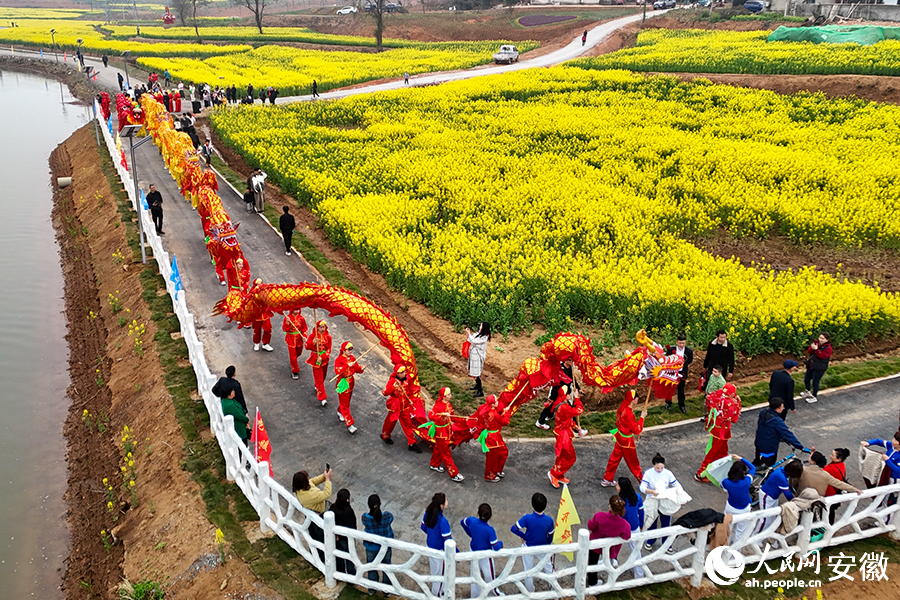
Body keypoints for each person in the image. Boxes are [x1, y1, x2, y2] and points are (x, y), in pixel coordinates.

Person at [695, 384, 741, 483]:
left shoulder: (717, 395)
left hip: (716, 427)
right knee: (714, 452)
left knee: (723, 451)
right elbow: (734, 419)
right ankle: (701, 473)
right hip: (723, 431)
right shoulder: (730, 403)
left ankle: (722, 470)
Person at [510, 493, 555, 594]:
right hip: (543, 548)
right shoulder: (549, 520)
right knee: (549, 567)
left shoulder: (526, 518)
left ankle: (529, 592)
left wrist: (523, 536)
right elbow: (551, 535)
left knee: (528, 571)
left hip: (528, 547)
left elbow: (514, 528)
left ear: (532, 504)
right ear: (545, 505)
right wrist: (548, 543)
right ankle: (554, 588)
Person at [601, 390, 646, 486]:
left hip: (619, 437)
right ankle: (642, 481)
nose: (638, 399)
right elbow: (636, 430)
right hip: (627, 442)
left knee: (614, 459)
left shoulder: (623, 409)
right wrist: (642, 418)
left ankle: (607, 478)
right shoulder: (629, 413)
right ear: (633, 400)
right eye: (636, 398)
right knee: (633, 462)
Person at [461, 504, 503, 597]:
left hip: (473, 551)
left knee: (475, 575)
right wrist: (501, 543)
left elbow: (462, 522)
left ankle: (475, 596)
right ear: (490, 516)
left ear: (478, 513)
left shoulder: (472, 521)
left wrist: (471, 533)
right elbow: (495, 546)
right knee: (489, 576)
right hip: (485, 555)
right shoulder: (490, 530)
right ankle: (495, 594)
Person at [587, 496, 631, 584]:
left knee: (592, 564)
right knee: (607, 560)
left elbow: (591, 526)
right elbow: (626, 536)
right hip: (611, 548)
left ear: (610, 506)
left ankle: (592, 582)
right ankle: (612, 562)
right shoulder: (624, 524)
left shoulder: (599, 516)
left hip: (595, 545)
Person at [754, 398, 809, 468]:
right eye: (782, 407)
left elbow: (769, 429)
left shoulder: (763, 412)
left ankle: (749, 473)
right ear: (777, 409)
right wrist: (800, 447)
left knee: (757, 461)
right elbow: (788, 434)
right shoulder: (777, 421)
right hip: (769, 447)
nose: (783, 408)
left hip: (759, 442)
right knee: (770, 466)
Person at [640, 453, 678, 554]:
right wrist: (651, 491)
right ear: (653, 466)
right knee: (652, 521)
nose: (660, 470)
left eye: (662, 467)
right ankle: (651, 540)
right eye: (657, 468)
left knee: (666, 523)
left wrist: (679, 497)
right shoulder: (648, 473)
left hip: (665, 500)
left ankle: (666, 543)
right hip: (653, 499)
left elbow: (676, 485)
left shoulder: (668, 473)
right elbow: (642, 487)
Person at [293, 468, 332, 560]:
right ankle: (321, 558)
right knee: (320, 538)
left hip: (310, 514)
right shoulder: (309, 495)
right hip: (318, 515)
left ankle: (314, 553)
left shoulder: (300, 489)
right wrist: (327, 480)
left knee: (313, 535)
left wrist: (323, 476)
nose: (309, 478)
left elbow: (312, 482)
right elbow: (326, 494)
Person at [426, 388, 464, 482]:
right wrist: (442, 415)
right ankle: (453, 474)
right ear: (443, 396)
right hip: (440, 432)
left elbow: (453, 417)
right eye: (448, 394)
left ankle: (434, 464)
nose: (450, 396)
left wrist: (464, 420)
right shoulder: (438, 406)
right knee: (446, 453)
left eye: (450, 394)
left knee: (439, 448)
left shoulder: (448, 404)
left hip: (447, 430)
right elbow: (431, 416)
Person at [548, 385, 584, 488]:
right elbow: (579, 410)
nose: (571, 395)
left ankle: (559, 475)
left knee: (563, 456)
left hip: (563, 432)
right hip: (563, 435)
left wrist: (574, 425)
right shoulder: (564, 406)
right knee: (570, 457)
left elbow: (565, 418)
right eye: (570, 393)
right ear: (566, 395)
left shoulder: (563, 403)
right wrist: (577, 398)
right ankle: (554, 473)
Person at [381, 364, 421, 452]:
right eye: (401, 372)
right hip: (395, 405)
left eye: (404, 372)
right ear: (397, 374)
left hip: (405, 405)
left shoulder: (407, 378)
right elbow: (385, 392)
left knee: (407, 424)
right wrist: (394, 386)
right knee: (391, 421)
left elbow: (410, 389)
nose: (404, 373)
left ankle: (412, 443)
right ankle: (385, 435)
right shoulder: (392, 381)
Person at [757, 459, 803, 536]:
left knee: (772, 518)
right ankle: (756, 537)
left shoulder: (781, 470)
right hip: (767, 496)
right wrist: (796, 504)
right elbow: (788, 495)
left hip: (773, 497)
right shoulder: (782, 478)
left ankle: (767, 535)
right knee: (765, 519)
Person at [362, 494, 394, 595]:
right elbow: (391, 518)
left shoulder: (365, 518)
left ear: (368, 505)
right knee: (386, 568)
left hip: (371, 547)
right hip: (385, 547)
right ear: (380, 504)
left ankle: (372, 589)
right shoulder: (387, 516)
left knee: (371, 567)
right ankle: (386, 591)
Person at [421, 493, 452, 597]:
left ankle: (437, 592)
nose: (447, 501)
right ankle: (436, 595)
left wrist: (431, 535)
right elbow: (448, 540)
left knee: (435, 572)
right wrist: (456, 552)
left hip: (430, 547)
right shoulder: (443, 522)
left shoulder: (428, 514)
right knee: (441, 575)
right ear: (441, 505)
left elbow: (423, 527)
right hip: (439, 551)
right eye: (446, 500)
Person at [474, 394, 511, 482]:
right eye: (496, 401)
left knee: (503, 452)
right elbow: (505, 422)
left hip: (492, 436)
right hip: (493, 438)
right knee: (492, 458)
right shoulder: (494, 414)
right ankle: (490, 476)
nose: (498, 402)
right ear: (493, 404)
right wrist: (506, 413)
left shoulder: (484, 411)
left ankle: (497, 470)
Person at [536, 359, 581, 430]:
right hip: (558, 392)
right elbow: (555, 384)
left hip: (565, 392)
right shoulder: (560, 369)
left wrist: (578, 388)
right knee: (554, 405)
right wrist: (552, 397)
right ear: (565, 361)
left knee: (561, 407)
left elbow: (573, 379)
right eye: (570, 360)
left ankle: (542, 420)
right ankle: (575, 429)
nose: (572, 361)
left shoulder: (570, 369)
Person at [721, 455, 756, 545]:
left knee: (727, 530)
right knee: (740, 533)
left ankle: (724, 550)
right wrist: (740, 458)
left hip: (730, 507)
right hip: (744, 509)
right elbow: (753, 468)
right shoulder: (746, 482)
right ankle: (736, 553)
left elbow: (722, 485)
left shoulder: (726, 482)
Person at [334, 341, 364, 434]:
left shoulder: (352, 358)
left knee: (346, 401)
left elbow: (356, 369)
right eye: (348, 349)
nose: (350, 351)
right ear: (343, 350)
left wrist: (361, 368)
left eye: (351, 349)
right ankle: (349, 424)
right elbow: (337, 371)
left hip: (351, 382)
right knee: (346, 404)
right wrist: (347, 365)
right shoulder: (339, 360)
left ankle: (340, 411)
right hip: (343, 383)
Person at [617, 477, 645, 578]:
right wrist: (641, 525)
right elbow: (641, 512)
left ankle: (639, 575)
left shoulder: (620, 500)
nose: (616, 486)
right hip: (635, 527)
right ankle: (639, 574)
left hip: (622, 529)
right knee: (636, 551)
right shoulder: (637, 497)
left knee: (613, 547)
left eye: (618, 485)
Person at [306, 319, 333, 406]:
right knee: (319, 378)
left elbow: (329, 349)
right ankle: (322, 397)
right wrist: (313, 342)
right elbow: (307, 346)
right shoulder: (313, 336)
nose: (322, 329)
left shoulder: (328, 337)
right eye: (320, 327)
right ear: (317, 328)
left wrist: (323, 356)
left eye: (323, 327)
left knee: (323, 375)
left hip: (324, 359)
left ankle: (318, 386)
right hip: (315, 359)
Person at [331, 488, 357, 575]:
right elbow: (352, 526)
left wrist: (335, 534)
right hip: (347, 539)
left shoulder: (333, 508)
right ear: (347, 500)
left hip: (336, 537)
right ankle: (351, 575)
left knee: (339, 556)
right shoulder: (348, 511)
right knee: (350, 557)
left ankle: (340, 573)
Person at [666, 335, 693, 413]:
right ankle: (668, 402)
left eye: (683, 343)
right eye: (680, 343)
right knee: (670, 388)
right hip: (672, 372)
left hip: (682, 373)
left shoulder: (689, 351)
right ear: (677, 342)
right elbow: (667, 359)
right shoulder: (671, 350)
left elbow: (689, 360)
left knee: (681, 389)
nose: (681, 345)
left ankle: (681, 405)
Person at [803, 332, 832, 403]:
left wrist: (816, 350)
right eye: (820, 338)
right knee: (806, 379)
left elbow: (822, 356)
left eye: (822, 338)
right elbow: (809, 351)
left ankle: (814, 396)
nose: (820, 340)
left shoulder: (828, 348)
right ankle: (807, 391)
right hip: (811, 365)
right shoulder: (816, 344)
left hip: (820, 368)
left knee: (815, 382)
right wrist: (812, 348)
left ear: (827, 340)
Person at [466, 322, 491, 398]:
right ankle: (477, 386)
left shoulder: (484, 337)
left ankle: (480, 391)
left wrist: (469, 333)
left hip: (477, 356)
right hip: (474, 356)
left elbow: (473, 341)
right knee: (474, 372)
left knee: (476, 374)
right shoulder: (479, 333)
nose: (479, 326)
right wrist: (468, 334)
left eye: (481, 325)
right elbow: (471, 339)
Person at [249, 279, 274, 352]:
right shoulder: (252, 294)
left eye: (260, 284)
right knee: (256, 330)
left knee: (268, 328)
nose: (259, 286)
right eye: (257, 284)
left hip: (265, 314)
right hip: (257, 314)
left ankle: (265, 344)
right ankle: (256, 343)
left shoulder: (266, 292)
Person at [282, 309, 308, 380]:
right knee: (293, 356)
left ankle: (293, 362)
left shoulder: (301, 318)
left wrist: (304, 336)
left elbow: (304, 328)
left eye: (298, 310)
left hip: (299, 338)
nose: (297, 311)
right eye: (295, 310)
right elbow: (284, 329)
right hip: (290, 339)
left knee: (298, 353)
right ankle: (295, 371)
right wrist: (287, 323)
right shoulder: (287, 318)